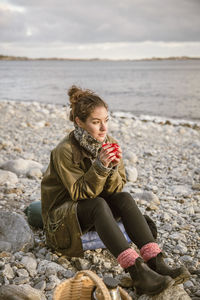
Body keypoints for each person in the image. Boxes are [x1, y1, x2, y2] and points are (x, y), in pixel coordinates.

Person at [41, 86, 190, 296]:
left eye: (106, 120)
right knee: (98, 205)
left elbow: (115, 189)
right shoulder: (63, 151)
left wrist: (110, 168)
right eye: (96, 122)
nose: (104, 128)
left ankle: (155, 262)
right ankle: (137, 273)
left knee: (124, 198)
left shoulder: (109, 143)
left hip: (90, 208)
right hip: (62, 220)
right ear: (79, 122)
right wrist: (100, 167)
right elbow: (80, 194)